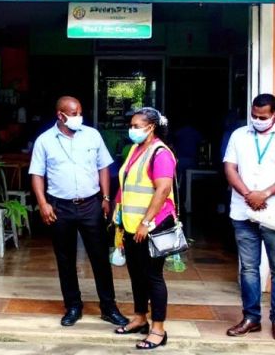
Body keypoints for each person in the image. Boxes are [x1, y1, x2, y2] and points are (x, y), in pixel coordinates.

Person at [29, 96, 129, 328]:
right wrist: (43, 203)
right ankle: (73, 306)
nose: (78, 117)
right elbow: (37, 174)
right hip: (59, 206)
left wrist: (105, 197)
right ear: (60, 116)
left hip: (90, 205)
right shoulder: (44, 141)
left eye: (80, 112)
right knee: (65, 259)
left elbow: (103, 166)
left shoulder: (92, 135)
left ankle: (109, 307)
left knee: (99, 257)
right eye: (73, 113)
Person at [223, 94, 275, 342]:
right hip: (243, 211)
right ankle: (251, 318)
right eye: (254, 116)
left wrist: (265, 193)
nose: (257, 120)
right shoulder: (239, 135)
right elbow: (229, 168)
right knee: (248, 268)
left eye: (263, 117)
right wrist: (249, 194)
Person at [113, 107, 178, 350]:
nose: (132, 129)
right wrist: (117, 214)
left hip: (154, 224)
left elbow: (162, 190)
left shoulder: (160, 153)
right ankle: (140, 317)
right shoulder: (134, 149)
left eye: (136, 125)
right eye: (131, 125)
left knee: (153, 276)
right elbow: (126, 182)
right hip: (130, 224)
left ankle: (158, 328)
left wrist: (146, 223)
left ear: (151, 127)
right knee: (136, 274)